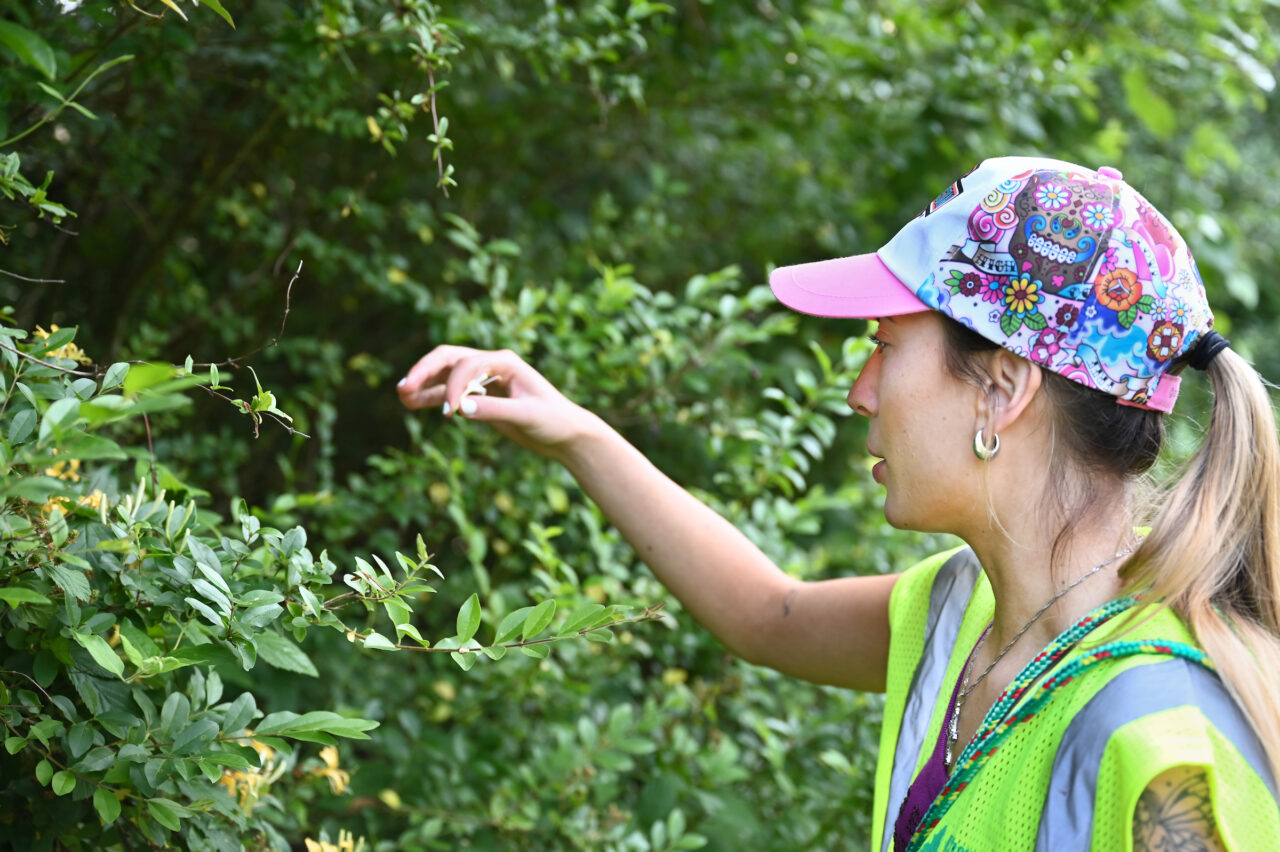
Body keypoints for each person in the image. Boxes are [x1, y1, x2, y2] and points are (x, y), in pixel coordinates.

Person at [397, 156, 1280, 850]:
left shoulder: (1163, 733)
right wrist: (578, 434)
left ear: (1003, 388)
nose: (859, 392)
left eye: (884, 347)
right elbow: (767, 615)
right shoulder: (961, 611)